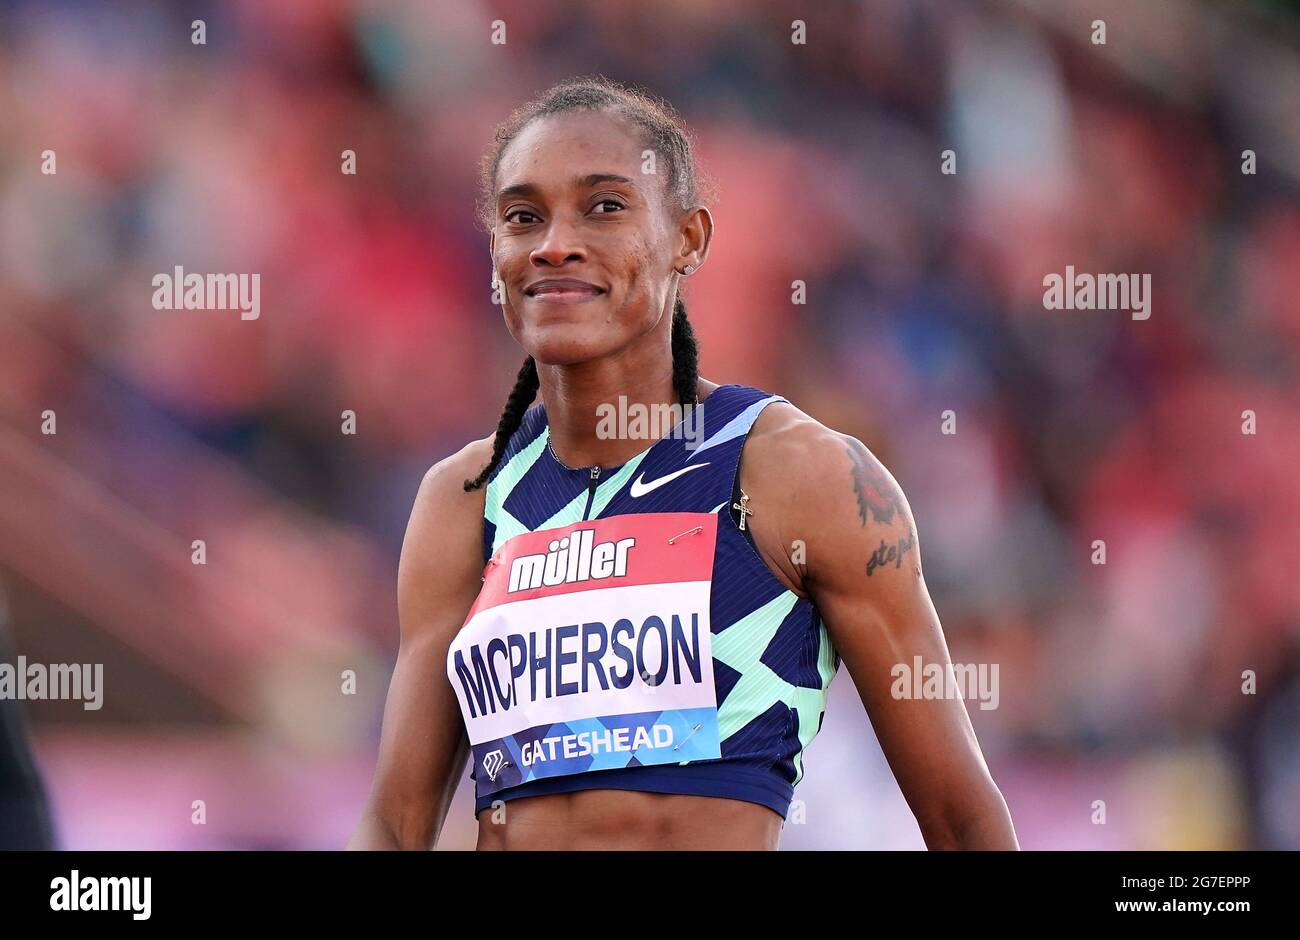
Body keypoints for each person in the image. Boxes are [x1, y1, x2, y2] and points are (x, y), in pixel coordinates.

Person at [349, 76, 1017, 850]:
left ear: (688, 239)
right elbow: (395, 826)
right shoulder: (465, 500)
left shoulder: (798, 476)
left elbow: (963, 821)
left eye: (604, 207)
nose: (554, 243)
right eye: (522, 216)